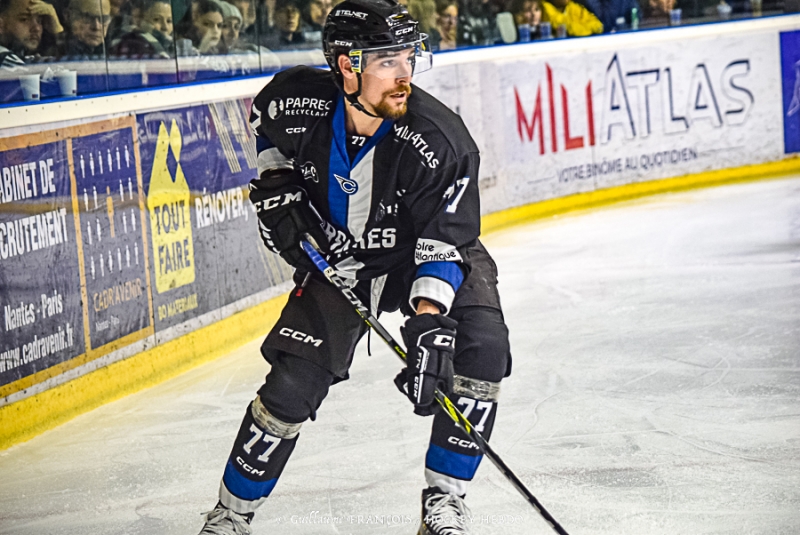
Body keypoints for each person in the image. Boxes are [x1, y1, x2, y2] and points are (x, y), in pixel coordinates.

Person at [196, 0, 512, 533]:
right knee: (293, 384)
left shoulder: (441, 139)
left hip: (424, 253)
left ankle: (444, 500)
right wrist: (278, 185)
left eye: (409, 58)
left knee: (481, 347)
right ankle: (230, 515)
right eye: (388, 61)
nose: (403, 74)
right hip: (343, 258)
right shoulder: (295, 101)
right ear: (347, 65)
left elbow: (445, 236)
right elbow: (265, 127)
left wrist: (430, 317)